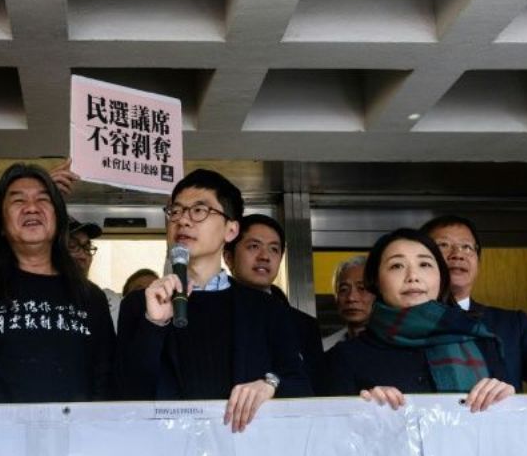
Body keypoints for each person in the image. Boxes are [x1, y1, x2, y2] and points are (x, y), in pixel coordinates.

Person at [115, 169, 309, 432]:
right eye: (176, 211)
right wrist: (154, 326)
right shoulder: (140, 304)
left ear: (230, 230)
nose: (183, 221)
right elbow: (124, 396)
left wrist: (269, 385)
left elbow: (300, 385)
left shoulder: (266, 309)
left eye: (199, 211)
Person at [0, 163, 115, 403]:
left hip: (74, 437)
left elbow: (104, 381)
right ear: (0, 224)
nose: (32, 208)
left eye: (44, 200)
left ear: (59, 219)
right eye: (18, 201)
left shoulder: (90, 296)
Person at [326, 228, 513, 411]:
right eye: (396, 266)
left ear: (441, 278)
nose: (413, 277)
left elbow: (511, 433)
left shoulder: (484, 344)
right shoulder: (346, 357)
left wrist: (508, 401)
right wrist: (361, 412)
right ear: (376, 282)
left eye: (425, 265)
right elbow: (331, 435)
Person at [419, 215, 527, 394]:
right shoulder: (402, 320)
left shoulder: (513, 324)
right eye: (443, 245)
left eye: (467, 247)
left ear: (478, 261)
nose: (457, 255)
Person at [223, 213, 325, 395]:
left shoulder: (304, 325)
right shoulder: (214, 312)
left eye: (274, 249)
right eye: (254, 246)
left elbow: (314, 391)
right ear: (229, 257)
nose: (264, 256)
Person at [68, 217, 122, 327]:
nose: (83, 255)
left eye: (87, 248)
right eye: (72, 246)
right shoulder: (39, 299)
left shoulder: (104, 300)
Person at [322, 255, 374, 351]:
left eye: (362, 288)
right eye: (343, 289)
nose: (351, 298)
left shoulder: (400, 349)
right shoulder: (325, 349)